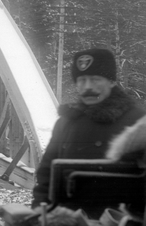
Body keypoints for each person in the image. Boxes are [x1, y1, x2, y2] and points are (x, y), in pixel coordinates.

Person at [31, 47, 146, 206]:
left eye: (95, 79)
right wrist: (40, 208)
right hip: (66, 216)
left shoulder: (138, 123)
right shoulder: (66, 122)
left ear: (112, 82)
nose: (87, 87)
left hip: (118, 218)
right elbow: (46, 173)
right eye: (82, 80)